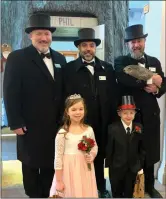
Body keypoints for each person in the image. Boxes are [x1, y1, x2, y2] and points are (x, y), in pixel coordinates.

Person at [3, 13, 66, 198]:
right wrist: (15, 122)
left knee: (51, 164)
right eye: (39, 33)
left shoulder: (60, 59)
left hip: (55, 125)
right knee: (30, 166)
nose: (43, 38)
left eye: (46, 33)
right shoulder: (17, 58)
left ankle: (48, 194)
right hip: (28, 125)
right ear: (30, 36)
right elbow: (10, 92)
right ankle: (33, 195)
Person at [63, 28, 119, 198]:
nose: (88, 48)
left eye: (92, 45)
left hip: (103, 122)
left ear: (95, 48)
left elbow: (114, 94)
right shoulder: (69, 69)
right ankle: (83, 188)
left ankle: (101, 187)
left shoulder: (107, 68)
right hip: (81, 122)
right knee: (82, 155)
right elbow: (64, 97)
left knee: (99, 155)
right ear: (79, 47)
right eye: (85, 45)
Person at [114, 24, 166, 198]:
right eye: (132, 42)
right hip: (130, 115)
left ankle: (149, 187)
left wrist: (157, 89)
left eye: (139, 41)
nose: (136, 45)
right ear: (127, 44)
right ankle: (129, 189)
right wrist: (151, 80)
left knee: (150, 153)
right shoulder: (121, 61)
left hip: (151, 115)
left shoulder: (154, 61)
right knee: (131, 153)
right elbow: (124, 79)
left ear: (144, 41)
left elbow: (163, 84)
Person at [49, 94, 98, 198]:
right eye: (74, 109)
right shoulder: (63, 133)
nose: (78, 112)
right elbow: (58, 158)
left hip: (85, 169)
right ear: (67, 111)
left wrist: (92, 155)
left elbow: (94, 146)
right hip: (69, 171)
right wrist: (59, 181)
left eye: (81, 109)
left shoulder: (89, 130)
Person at [105, 95, 145, 198]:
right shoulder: (112, 128)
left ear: (135, 113)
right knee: (116, 193)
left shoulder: (139, 127)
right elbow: (109, 150)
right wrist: (107, 169)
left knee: (129, 192)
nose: (128, 116)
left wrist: (139, 165)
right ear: (119, 114)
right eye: (125, 113)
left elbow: (142, 148)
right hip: (116, 169)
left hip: (132, 168)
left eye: (131, 113)